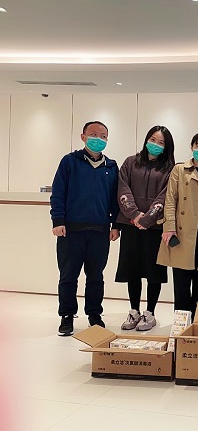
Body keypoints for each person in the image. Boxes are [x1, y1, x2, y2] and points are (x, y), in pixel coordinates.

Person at [50, 121, 120, 336]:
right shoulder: (70, 162)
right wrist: (58, 221)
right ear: (83, 137)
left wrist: (116, 225)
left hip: (100, 231)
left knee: (96, 276)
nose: (98, 139)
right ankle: (67, 316)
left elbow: (115, 199)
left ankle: (94, 315)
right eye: (93, 134)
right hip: (71, 230)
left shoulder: (111, 166)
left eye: (103, 136)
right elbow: (58, 192)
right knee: (68, 276)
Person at [115, 126, 175, 331]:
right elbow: (123, 188)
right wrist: (134, 214)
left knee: (153, 272)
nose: (156, 144)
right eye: (153, 139)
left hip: (155, 228)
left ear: (167, 147)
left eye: (161, 142)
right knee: (132, 269)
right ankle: (134, 311)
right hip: (131, 225)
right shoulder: (130, 162)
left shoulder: (169, 168)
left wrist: (148, 218)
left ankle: (150, 312)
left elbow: (165, 196)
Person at [157, 133, 198, 319]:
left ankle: (197, 324)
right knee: (181, 286)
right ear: (192, 147)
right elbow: (170, 200)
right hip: (183, 235)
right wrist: (169, 227)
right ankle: (181, 326)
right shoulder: (179, 170)